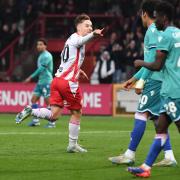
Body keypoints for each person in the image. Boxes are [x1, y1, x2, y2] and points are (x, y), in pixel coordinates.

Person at [15, 14, 104, 152]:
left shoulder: (70, 40)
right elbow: (83, 41)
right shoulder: (77, 38)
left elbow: (69, 60)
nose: (90, 28)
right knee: (77, 112)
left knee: (54, 115)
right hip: (68, 83)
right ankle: (72, 145)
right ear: (78, 26)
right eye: (87, 25)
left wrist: (77, 70)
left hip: (57, 81)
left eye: (91, 26)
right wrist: (93, 33)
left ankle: (31, 111)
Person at [109, 0, 177, 167]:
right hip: (163, 80)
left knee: (141, 114)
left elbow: (153, 61)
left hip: (155, 80)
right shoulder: (164, 30)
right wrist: (134, 78)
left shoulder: (152, 31)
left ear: (143, 14)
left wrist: (141, 81)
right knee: (157, 119)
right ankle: (169, 156)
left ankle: (129, 154)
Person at [127, 1, 180, 177]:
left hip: (174, 90)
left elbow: (157, 65)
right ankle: (146, 167)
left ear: (165, 18)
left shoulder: (165, 36)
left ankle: (136, 158)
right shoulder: (178, 33)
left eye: (157, 16)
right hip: (168, 89)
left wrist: (139, 63)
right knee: (161, 128)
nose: (154, 19)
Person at [15, 38, 55, 128]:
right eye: (38, 44)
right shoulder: (41, 55)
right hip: (40, 82)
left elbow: (41, 69)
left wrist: (30, 77)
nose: (39, 46)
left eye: (41, 44)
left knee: (48, 102)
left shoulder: (47, 56)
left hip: (47, 82)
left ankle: (52, 122)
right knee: (33, 100)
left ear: (45, 46)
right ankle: (36, 120)